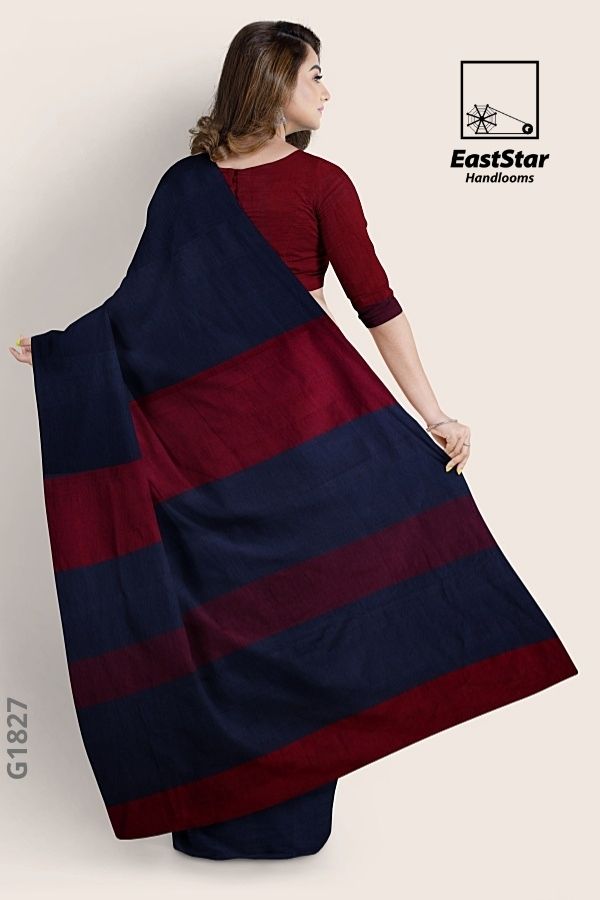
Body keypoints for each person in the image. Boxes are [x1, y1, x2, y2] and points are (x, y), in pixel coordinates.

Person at [10, 22, 568, 862]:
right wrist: (63, 352)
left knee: (315, 605)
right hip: (210, 445)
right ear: (272, 83)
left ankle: (291, 818)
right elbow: (143, 306)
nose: (327, 90)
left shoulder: (321, 183)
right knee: (222, 614)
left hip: (307, 432)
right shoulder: (185, 187)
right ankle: (217, 810)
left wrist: (433, 413)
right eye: (314, 74)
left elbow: (377, 305)